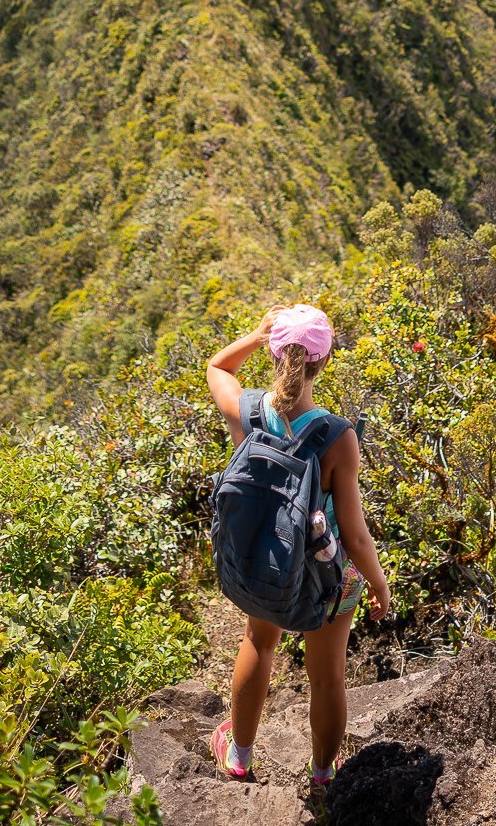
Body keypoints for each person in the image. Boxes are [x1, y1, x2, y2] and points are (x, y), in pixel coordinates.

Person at [205, 302, 391, 790]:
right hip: (325, 576)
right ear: (323, 362)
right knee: (328, 678)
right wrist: (377, 582)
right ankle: (324, 775)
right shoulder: (336, 435)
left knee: (257, 643)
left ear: (272, 353)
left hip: (266, 560)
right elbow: (353, 531)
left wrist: (256, 330)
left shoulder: (246, 412)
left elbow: (217, 367)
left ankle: (239, 755)